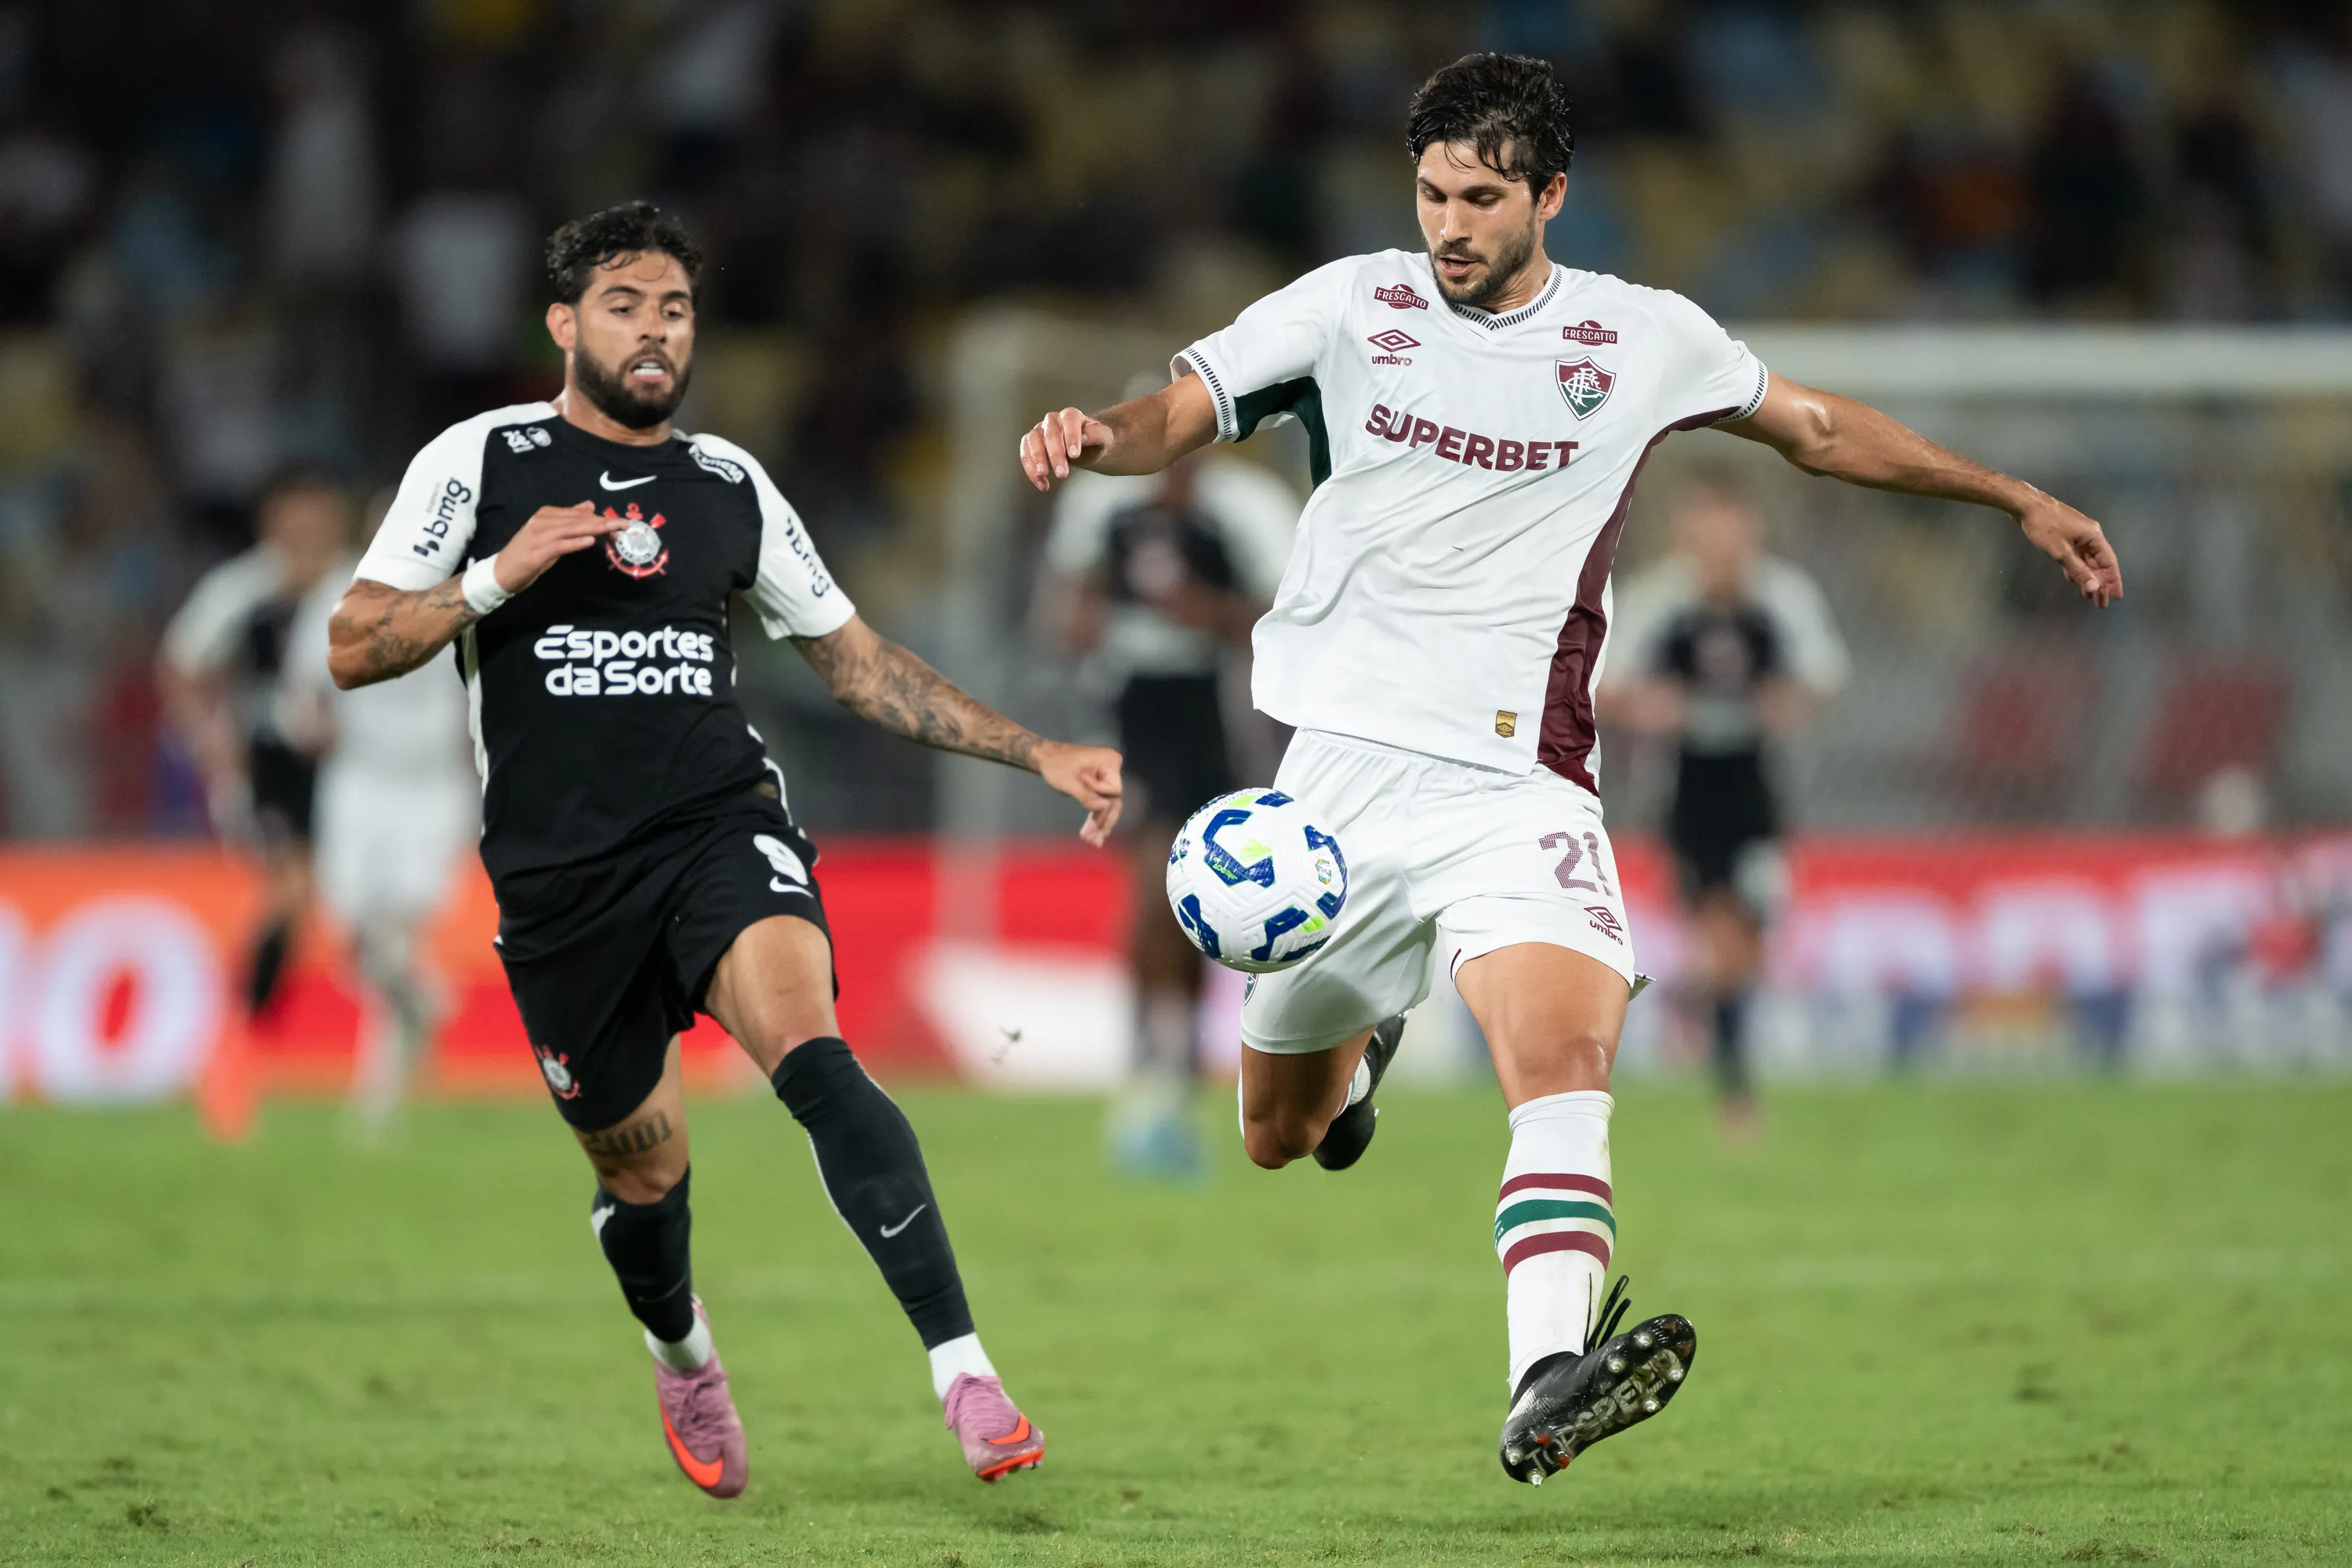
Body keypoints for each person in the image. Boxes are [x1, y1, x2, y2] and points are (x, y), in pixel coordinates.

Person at [1017, 53, 2121, 1485]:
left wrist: (2014, 496)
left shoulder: (1641, 338)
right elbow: (1179, 403)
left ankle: (1547, 1376)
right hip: (1331, 798)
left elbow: (1820, 430)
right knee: (1278, 1136)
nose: (1450, 225)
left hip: (1514, 789)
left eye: (1481, 197)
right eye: (1431, 194)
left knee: (1561, 1056)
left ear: (1551, 194)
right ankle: (1359, 1057)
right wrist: (1096, 438)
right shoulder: (1352, 306)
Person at [325, 202, 1122, 1497]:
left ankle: (965, 1370)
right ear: (564, 324)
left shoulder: (727, 484)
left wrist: (1037, 752)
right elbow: (352, 648)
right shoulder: (480, 463)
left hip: (718, 824)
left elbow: (856, 666)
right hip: (560, 881)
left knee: (813, 1052)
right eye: (626, 305)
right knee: (643, 1176)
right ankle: (681, 1348)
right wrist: (493, 581)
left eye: (676, 309)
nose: (654, 331)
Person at [1040, 430, 1298, 1176]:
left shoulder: (1245, 513)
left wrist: (1204, 612)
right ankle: (1151, 1052)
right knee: (1155, 876)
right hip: (1130, 707)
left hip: (1212, 709)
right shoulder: (1103, 511)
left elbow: (1278, 623)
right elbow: (1070, 616)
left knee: (1199, 890)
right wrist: (1103, 622)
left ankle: (1174, 1051)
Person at [1602, 477, 1849, 1135]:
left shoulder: (1782, 598)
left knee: (1748, 934)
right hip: (1685, 786)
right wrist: (1655, 708)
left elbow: (1822, 678)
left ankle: (1694, 991)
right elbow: (1608, 684)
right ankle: (1737, 1095)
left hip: (1757, 784)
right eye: (1704, 535)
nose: (1717, 549)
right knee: (1718, 924)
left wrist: (1777, 704)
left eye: (1728, 534)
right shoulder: (1659, 601)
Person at [285, 487, 479, 1138]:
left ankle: (378, 1104)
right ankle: (425, 1002)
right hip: (359, 782)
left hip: (431, 786)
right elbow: (304, 692)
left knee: (394, 935)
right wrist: (309, 730)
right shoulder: (339, 594)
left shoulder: (470, 596)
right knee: (354, 938)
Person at [159, 467, 356, 1032]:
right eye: (294, 511)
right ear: (270, 519)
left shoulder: (362, 582)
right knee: (289, 885)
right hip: (268, 758)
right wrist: (209, 739)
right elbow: (181, 666)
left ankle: (274, 1024)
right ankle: (249, 1020)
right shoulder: (241, 590)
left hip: (353, 767)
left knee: (332, 895)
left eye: (316, 511)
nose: (306, 525)